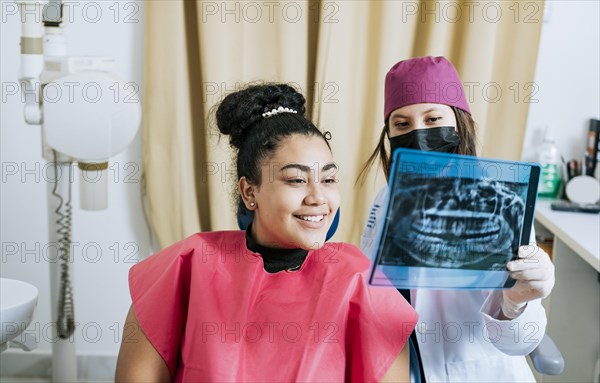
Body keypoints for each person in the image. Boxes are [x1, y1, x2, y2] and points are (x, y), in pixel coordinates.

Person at [115, 83, 418, 382]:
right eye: (297, 180)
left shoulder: (361, 283)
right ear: (250, 192)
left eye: (328, 179)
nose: (318, 197)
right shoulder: (186, 265)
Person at [358, 56, 555, 382]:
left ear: (459, 124)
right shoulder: (385, 200)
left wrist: (516, 303)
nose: (419, 135)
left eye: (433, 119)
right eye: (402, 124)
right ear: (389, 135)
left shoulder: (501, 203)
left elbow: (523, 342)